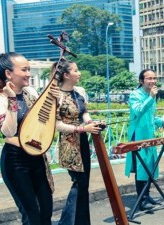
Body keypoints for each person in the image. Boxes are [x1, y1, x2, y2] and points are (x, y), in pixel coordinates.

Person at [0, 52, 54, 225]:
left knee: (46, 211)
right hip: (15, 161)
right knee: (32, 214)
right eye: (24, 70)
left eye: (29, 69)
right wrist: (12, 99)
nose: (28, 74)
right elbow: (9, 132)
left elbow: (42, 120)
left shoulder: (30, 92)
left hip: (37, 157)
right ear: (9, 74)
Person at [54, 60, 103, 225]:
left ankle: (79, 221)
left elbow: (85, 114)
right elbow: (57, 125)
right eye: (76, 70)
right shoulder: (55, 95)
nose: (79, 73)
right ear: (66, 75)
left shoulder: (79, 91)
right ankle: (68, 222)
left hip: (82, 141)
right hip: (69, 143)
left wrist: (92, 123)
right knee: (79, 182)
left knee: (84, 184)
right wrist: (82, 129)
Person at [124, 69, 164, 211]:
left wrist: (163, 121)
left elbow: (151, 117)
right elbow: (138, 111)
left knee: (150, 166)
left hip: (150, 135)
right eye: (149, 78)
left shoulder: (151, 95)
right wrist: (151, 98)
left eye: (154, 78)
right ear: (141, 81)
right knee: (141, 167)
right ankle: (141, 199)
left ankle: (147, 195)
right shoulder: (135, 95)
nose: (152, 81)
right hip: (138, 135)